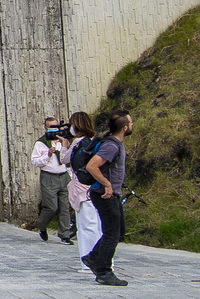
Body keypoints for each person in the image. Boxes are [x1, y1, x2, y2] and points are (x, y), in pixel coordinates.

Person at [83, 111, 133, 287]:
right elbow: (92, 166)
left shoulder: (115, 143)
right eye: (131, 123)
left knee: (118, 232)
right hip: (105, 195)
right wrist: (107, 184)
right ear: (125, 127)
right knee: (112, 233)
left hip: (112, 194)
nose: (132, 125)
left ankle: (93, 257)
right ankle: (104, 271)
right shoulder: (111, 146)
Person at [61, 111, 100, 272]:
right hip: (96, 188)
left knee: (85, 227)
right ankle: (103, 260)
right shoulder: (96, 141)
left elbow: (64, 159)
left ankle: (88, 263)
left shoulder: (78, 143)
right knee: (98, 226)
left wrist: (64, 145)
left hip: (82, 189)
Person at [31, 116, 76, 245]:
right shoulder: (41, 143)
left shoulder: (64, 140)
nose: (54, 130)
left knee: (65, 207)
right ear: (46, 128)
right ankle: (41, 225)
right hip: (49, 177)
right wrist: (48, 154)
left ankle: (64, 235)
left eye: (56, 126)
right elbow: (35, 161)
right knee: (51, 207)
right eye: (51, 127)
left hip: (64, 175)